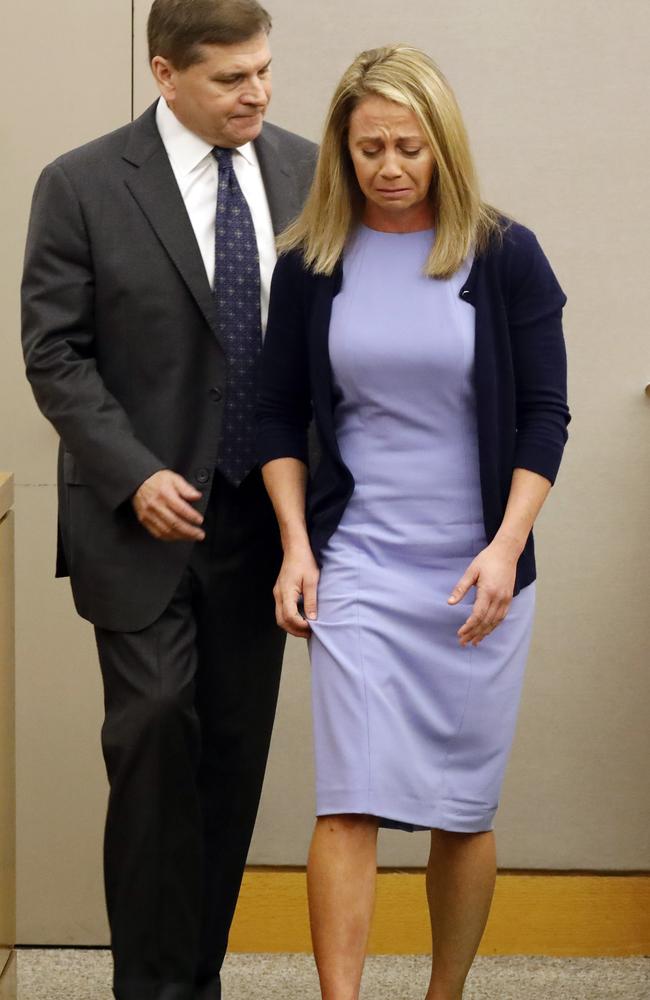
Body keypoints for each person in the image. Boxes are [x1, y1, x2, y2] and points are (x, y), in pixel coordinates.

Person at [257, 44, 570, 1000]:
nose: (389, 166)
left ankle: (445, 994)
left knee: (459, 810)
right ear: (341, 155)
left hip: (476, 571)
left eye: (408, 147)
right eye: (368, 149)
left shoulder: (505, 254)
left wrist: (506, 551)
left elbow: (543, 417)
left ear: (442, 146)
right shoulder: (313, 262)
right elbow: (276, 412)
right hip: (358, 561)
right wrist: (297, 548)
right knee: (348, 801)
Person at [21, 0, 316, 996]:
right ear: (164, 73)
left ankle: (193, 977)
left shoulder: (308, 173)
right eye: (232, 78)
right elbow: (54, 353)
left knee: (231, 766)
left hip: (263, 525)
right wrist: (131, 470)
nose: (258, 93)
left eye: (264, 71)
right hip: (140, 523)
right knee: (152, 735)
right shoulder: (82, 183)